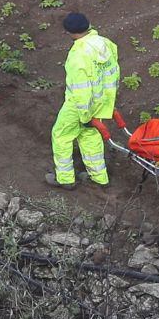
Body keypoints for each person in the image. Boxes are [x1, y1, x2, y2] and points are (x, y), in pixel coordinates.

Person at [45, 13, 120, 190]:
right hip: (101, 101)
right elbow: (114, 72)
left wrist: (84, 115)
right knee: (90, 136)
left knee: (61, 135)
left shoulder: (78, 54)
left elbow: (81, 89)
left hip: (79, 106)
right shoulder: (106, 44)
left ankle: (65, 178)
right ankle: (99, 178)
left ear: (70, 32)